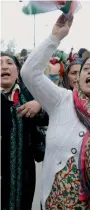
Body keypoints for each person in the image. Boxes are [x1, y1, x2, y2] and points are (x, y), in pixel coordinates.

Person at [21, 14, 90, 210]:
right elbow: (29, 73)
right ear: (79, 78)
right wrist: (55, 36)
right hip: (54, 202)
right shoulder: (61, 100)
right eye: (86, 68)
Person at [1, 52, 48, 210]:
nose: (4, 66)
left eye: (9, 63)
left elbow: (49, 119)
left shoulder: (29, 95)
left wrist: (40, 106)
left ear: (18, 70)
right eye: (0, 63)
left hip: (24, 172)